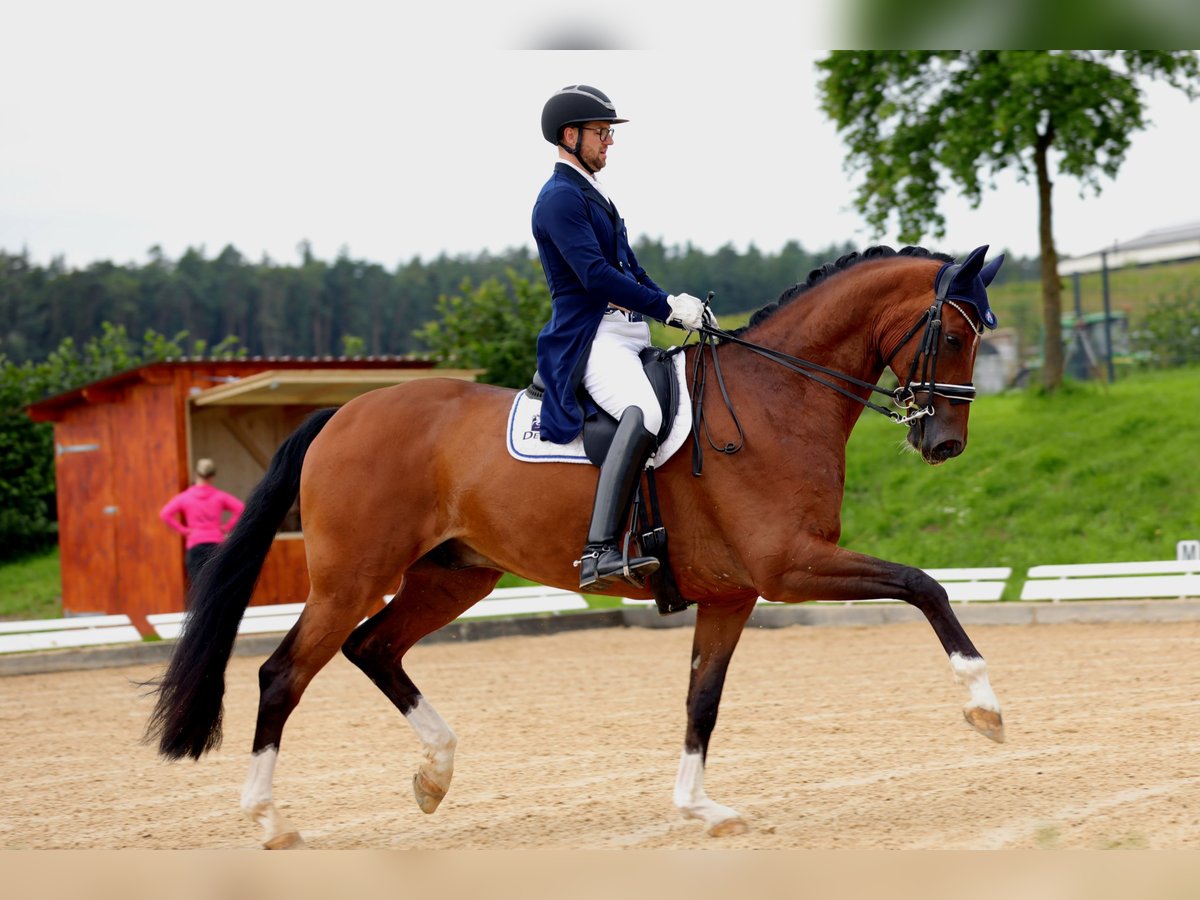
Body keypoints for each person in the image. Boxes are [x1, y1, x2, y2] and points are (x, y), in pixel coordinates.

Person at [532, 84, 710, 591]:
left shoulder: (592, 193)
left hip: (627, 331)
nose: (609, 141)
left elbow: (628, 270)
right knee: (645, 413)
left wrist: (677, 309)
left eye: (609, 132)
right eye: (601, 132)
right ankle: (600, 550)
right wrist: (662, 307)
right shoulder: (559, 198)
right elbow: (595, 276)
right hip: (591, 337)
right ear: (571, 136)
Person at [159, 458, 245, 596]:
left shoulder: (185, 497)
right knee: (217, 584)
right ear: (212, 476)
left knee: (199, 587)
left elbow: (165, 514)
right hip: (216, 544)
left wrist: (184, 530)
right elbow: (241, 509)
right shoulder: (219, 496)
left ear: (196, 475)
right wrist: (227, 527)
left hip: (195, 545)